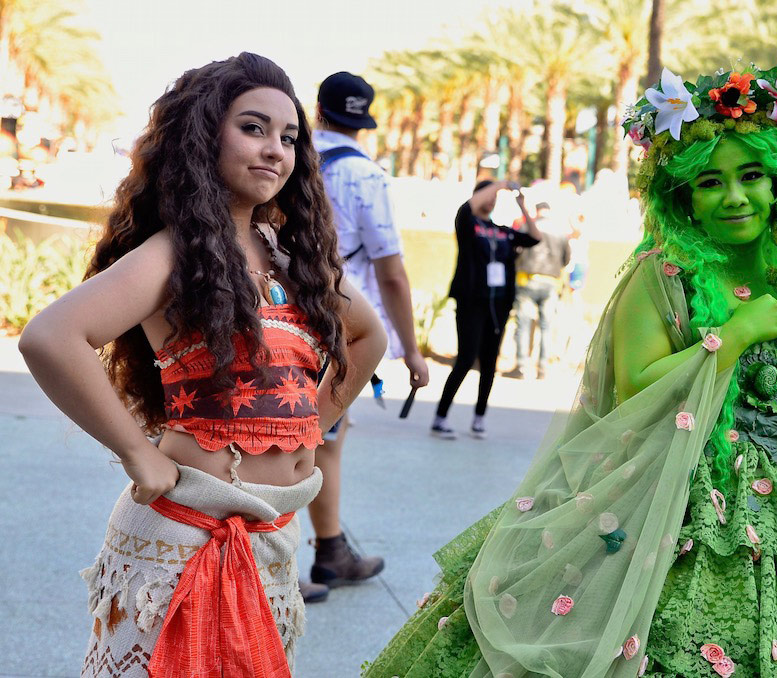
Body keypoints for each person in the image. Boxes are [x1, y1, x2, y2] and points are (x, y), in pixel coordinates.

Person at [364, 47, 777, 677]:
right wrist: (730, 336)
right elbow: (635, 390)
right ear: (684, 197)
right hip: (678, 499)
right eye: (711, 182)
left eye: (751, 177)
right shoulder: (662, 276)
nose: (734, 196)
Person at [17, 53, 387, 675]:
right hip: (184, 538)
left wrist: (308, 423)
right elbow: (52, 337)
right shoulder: (175, 254)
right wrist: (139, 454)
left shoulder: (290, 259)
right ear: (203, 134)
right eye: (253, 127)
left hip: (273, 536)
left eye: (289, 136)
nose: (275, 149)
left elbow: (366, 338)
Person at [303, 71, 430, 597]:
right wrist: (410, 349)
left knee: (309, 435)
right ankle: (270, 565)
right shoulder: (366, 177)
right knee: (310, 436)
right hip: (337, 325)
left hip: (278, 307)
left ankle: (329, 550)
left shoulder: (288, 155)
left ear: (318, 110)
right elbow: (391, 272)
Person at [431, 179, 541, 440]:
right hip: (472, 303)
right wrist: (499, 184)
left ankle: (479, 417)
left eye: (494, 196)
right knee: (466, 358)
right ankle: (441, 416)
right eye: (486, 195)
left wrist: (522, 206)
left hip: (499, 305)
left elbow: (535, 238)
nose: (491, 200)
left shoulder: (502, 231)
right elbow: (464, 210)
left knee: (490, 361)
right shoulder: (468, 225)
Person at [505, 201, 572, 380]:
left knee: (524, 325)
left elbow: (515, 252)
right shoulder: (561, 231)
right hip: (551, 283)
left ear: (537, 211)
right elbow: (566, 259)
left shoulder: (528, 226)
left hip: (526, 280)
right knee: (547, 327)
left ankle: (521, 367)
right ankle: (543, 368)